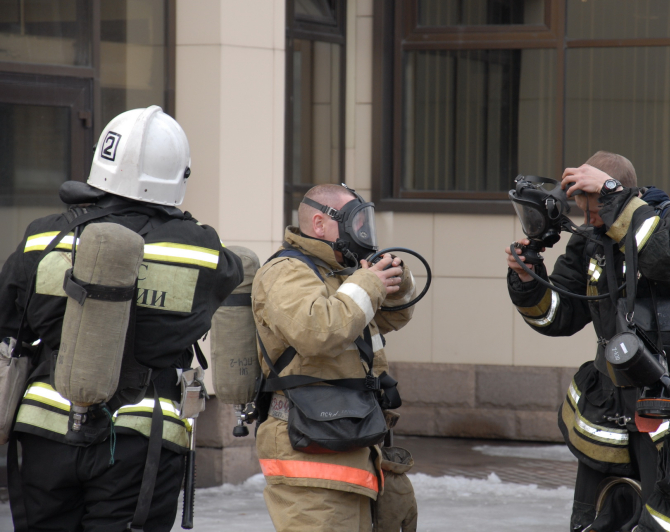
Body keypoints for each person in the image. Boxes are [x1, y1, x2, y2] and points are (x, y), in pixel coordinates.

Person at [0, 106, 243, 531]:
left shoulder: (43, 234)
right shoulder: (200, 247)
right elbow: (229, 276)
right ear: (177, 176)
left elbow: (7, 318)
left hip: (42, 432)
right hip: (140, 438)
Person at [505, 151, 670, 532]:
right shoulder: (590, 243)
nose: (584, 212)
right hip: (611, 412)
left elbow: (669, 256)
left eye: (590, 199)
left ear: (617, 192)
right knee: (602, 517)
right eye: (580, 201)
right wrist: (529, 282)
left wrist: (614, 199)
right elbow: (558, 315)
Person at [252, 183, 415, 532]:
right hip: (308, 455)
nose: (362, 233)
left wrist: (395, 281)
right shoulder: (286, 272)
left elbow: (394, 316)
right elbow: (317, 330)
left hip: (353, 447)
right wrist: (367, 284)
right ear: (320, 223)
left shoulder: (341, 274)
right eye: (354, 223)